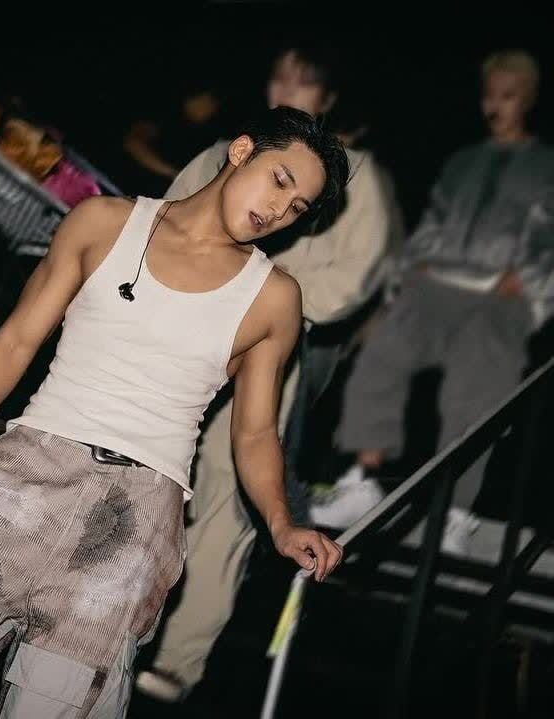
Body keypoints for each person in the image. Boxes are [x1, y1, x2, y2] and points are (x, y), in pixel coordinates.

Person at [0, 106, 348, 719]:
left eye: (296, 208)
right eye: (280, 181)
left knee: (58, 701)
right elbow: (16, 341)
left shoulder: (273, 298)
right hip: (26, 472)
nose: (278, 208)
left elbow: (256, 431)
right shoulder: (103, 223)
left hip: (135, 514)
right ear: (241, 151)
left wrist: (282, 524)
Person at [135, 46, 402, 703]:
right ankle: (114, 624)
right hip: (178, 333)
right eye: (279, 75)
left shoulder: (357, 175)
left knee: (228, 492)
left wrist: (266, 298)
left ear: (328, 96)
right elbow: (164, 225)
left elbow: (355, 278)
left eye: (303, 80)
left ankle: (178, 660)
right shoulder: (225, 153)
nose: (287, 86)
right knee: (144, 469)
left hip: (269, 348)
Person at [311, 50, 554, 557]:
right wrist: (412, 270)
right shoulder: (463, 161)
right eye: (489, 95)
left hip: (500, 295)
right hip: (438, 285)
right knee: (379, 360)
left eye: (508, 95)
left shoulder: (545, 165)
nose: (495, 105)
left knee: (475, 390)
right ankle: (361, 481)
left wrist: (530, 285)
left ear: (528, 100)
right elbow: (433, 221)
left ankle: (457, 513)